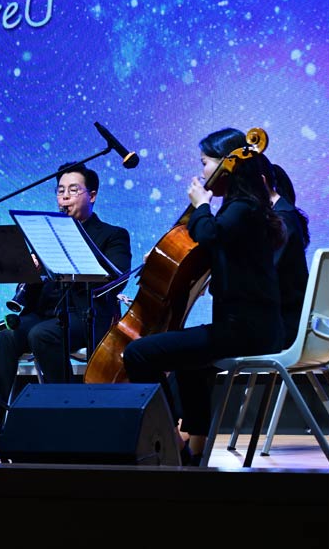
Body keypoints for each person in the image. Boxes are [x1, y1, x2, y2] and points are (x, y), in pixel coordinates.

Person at [123, 128, 285, 464]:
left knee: (138, 353)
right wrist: (160, 258)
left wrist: (201, 205)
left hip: (245, 331)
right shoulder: (246, 208)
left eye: (205, 162)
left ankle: (169, 440)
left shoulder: (241, 208)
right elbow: (209, 248)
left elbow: (209, 234)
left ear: (228, 164)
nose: (202, 172)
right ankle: (193, 452)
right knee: (189, 365)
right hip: (251, 328)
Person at [0, 163, 132, 432]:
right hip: (44, 312)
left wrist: (76, 249)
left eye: (73, 190)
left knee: (42, 335)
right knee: (4, 336)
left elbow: (118, 275)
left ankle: (68, 414)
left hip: (86, 315)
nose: (64, 197)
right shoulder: (46, 233)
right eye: (60, 190)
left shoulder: (112, 235)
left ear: (92, 195)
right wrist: (30, 270)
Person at [258, 156, 310, 349]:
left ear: (262, 182)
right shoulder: (287, 216)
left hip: (282, 326)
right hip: (285, 321)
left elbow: (264, 275)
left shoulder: (282, 221)